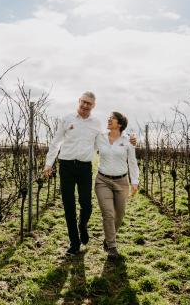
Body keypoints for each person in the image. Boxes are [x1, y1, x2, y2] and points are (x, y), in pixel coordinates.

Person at [43, 91, 101, 256]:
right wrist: (49, 163)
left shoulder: (96, 123)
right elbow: (56, 142)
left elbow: (100, 145)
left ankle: (82, 225)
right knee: (68, 205)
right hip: (66, 166)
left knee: (86, 204)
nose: (85, 106)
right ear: (79, 101)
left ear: (93, 106)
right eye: (83, 102)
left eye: (89, 103)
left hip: (84, 167)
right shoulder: (67, 119)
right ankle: (74, 243)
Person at [94, 111, 139, 259]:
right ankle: (112, 246)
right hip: (103, 180)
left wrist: (134, 181)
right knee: (108, 213)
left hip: (122, 181)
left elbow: (132, 162)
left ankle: (108, 238)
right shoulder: (100, 138)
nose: (109, 120)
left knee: (119, 215)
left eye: (112, 118)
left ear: (119, 124)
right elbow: (86, 146)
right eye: (108, 118)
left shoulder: (128, 141)